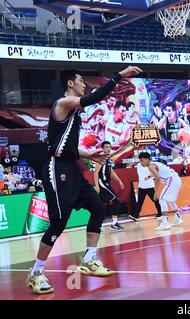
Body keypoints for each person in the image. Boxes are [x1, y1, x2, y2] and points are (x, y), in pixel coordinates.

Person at [26, 66, 142, 294]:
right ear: (70, 83)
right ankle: (36, 272)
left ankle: (89, 258)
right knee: (59, 222)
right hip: (55, 168)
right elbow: (94, 98)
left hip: (72, 167)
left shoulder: (74, 113)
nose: (83, 85)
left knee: (99, 207)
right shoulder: (63, 103)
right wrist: (120, 75)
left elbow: (66, 144)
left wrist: (87, 154)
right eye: (80, 81)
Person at [94, 141, 126, 231]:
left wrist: (119, 180)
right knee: (116, 200)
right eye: (106, 147)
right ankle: (114, 223)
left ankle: (97, 225)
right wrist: (97, 186)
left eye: (109, 147)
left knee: (99, 205)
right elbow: (96, 172)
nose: (108, 149)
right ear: (102, 148)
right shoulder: (101, 158)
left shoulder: (108, 159)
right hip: (102, 183)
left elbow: (111, 171)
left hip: (106, 182)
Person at [146, 159, 183, 231]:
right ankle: (177, 218)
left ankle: (165, 222)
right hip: (177, 179)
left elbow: (157, 178)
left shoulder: (152, 166)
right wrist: (148, 176)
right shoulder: (160, 165)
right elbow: (154, 174)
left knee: (162, 200)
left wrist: (156, 192)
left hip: (171, 180)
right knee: (170, 200)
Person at [130, 152, 162, 221]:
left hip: (150, 186)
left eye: (142, 160)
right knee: (139, 202)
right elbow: (139, 175)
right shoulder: (138, 165)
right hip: (141, 187)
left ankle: (160, 213)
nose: (141, 162)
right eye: (140, 160)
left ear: (147, 159)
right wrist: (139, 184)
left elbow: (156, 174)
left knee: (155, 200)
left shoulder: (151, 165)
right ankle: (136, 215)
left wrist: (149, 176)